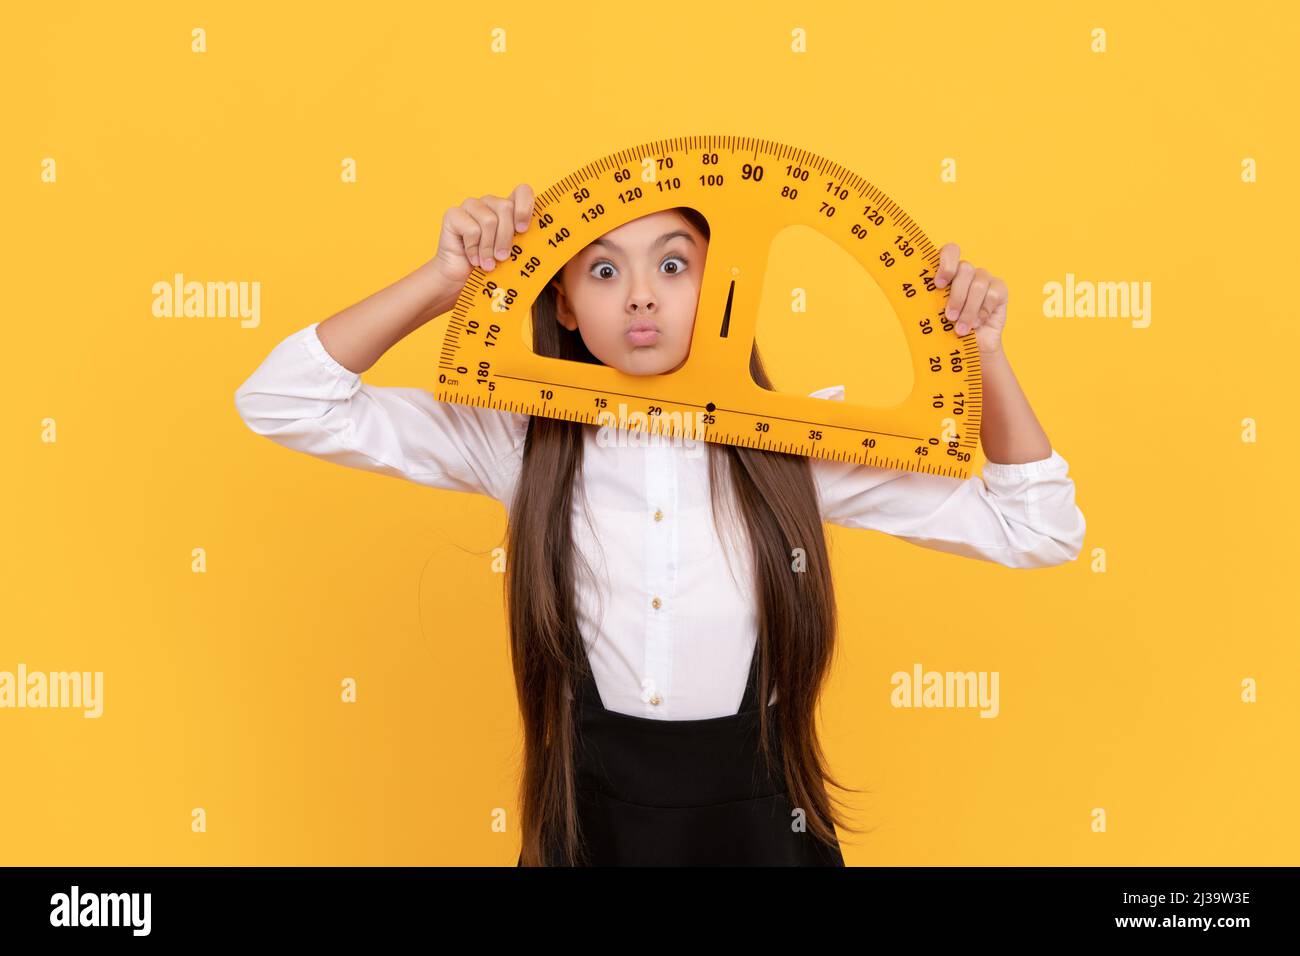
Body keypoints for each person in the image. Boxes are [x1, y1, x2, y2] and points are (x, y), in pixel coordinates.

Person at [234, 183, 1087, 866]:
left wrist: (983, 353)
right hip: (588, 834)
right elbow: (283, 401)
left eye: (674, 265)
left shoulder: (795, 442)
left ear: (724, 290)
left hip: (765, 837)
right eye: (602, 272)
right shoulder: (519, 439)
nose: (640, 295)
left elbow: (1036, 528)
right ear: (562, 304)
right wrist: (445, 284)